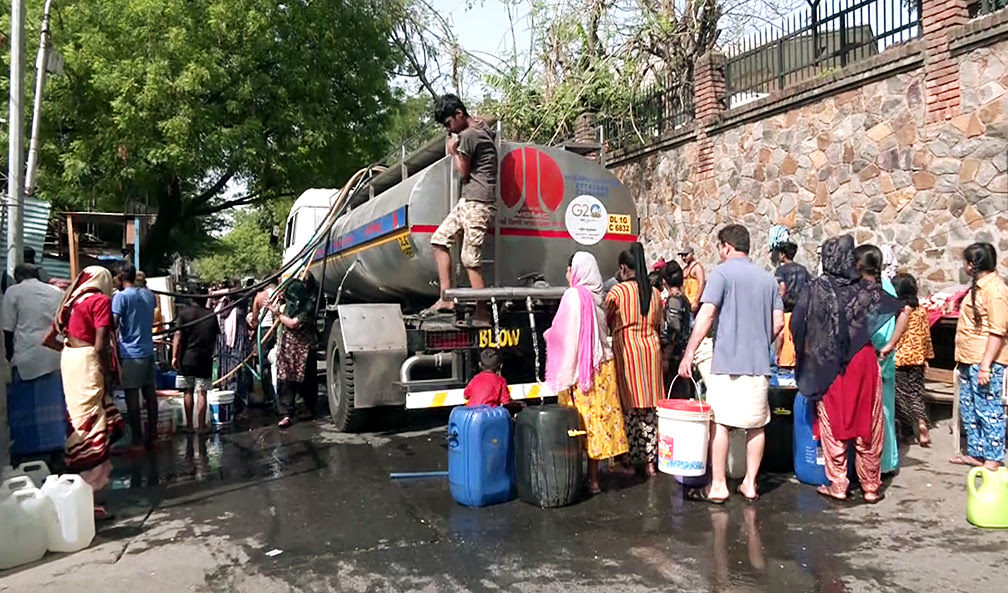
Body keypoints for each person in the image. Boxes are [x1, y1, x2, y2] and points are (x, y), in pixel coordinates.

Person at [791, 236, 904, 502]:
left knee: (833, 423)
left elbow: (798, 323)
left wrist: (807, 352)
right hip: (864, 360)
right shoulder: (865, 287)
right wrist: (889, 345)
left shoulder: (818, 287)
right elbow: (901, 309)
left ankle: (839, 485)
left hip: (830, 363)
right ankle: (870, 487)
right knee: (869, 421)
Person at [679, 225, 784, 503]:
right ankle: (749, 484)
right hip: (759, 363)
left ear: (726, 246)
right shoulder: (768, 280)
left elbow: (707, 314)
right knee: (757, 425)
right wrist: (761, 341)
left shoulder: (722, 273)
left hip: (727, 362)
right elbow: (778, 322)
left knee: (721, 424)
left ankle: (718, 486)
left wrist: (689, 352)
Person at [44, 266, 125, 521]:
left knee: (79, 421)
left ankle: (81, 495)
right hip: (88, 361)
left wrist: (71, 352)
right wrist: (107, 370)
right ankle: (88, 497)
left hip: (70, 360)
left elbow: (48, 338)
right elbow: (101, 343)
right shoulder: (99, 301)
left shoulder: (70, 303)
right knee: (93, 425)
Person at [546, 252, 629, 493]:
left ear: (577, 270)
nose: (567, 273)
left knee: (574, 424)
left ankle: (571, 477)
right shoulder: (597, 296)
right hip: (601, 369)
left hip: (579, 371)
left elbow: (563, 332)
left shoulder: (573, 295)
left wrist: (549, 335)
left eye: (569, 268)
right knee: (595, 424)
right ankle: (594, 480)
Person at [426, 94, 498, 326]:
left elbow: (463, 173)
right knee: (439, 240)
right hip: (468, 201)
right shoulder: (479, 126)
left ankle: (483, 313)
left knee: (470, 259)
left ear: (459, 114)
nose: (448, 128)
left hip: (478, 203)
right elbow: (489, 117)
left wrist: (454, 150)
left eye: (448, 123)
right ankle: (446, 298)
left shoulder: (468, 136)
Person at [606, 243, 663, 476]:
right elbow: (658, 323)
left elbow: (607, 320)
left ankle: (627, 461)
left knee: (628, 406)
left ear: (622, 268)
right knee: (649, 407)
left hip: (627, 350)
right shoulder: (656, 293)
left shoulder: (617, 293)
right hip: (651, 350)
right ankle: (650, 463)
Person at [950, 243, 1008, 469]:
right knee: (969, 407)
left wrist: (986, 366)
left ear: (972, 265)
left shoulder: (996, 290)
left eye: (965, 262)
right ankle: (976, 452)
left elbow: (997, 330)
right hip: (968, 357)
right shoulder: (980, 287)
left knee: (988, 408)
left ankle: (993, 457)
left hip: (984, 359)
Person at [855, 244, 908, 474]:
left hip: (871, 355)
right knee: (884, 410)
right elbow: (905, 312)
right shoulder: (885, 285)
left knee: (871, 413)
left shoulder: (864, 288)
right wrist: (892, 344)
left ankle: (873, 467)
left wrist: (887, 344)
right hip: (883, 355)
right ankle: (885, 463)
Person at [3, 264, 65, 459]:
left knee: (25, 404)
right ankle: (56, 447)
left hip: (27, 354)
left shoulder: (13, 292)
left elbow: (7, 329)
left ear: (18, 276)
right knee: (54, 403)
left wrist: (8, 356)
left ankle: (26, 449)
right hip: (54, 352)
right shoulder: (55, 291)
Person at [112, 264, 159, 451]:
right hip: (148, 350)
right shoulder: (149, 295)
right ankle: (153, 436)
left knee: (132, 395)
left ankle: (137, 440)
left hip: (131, 352)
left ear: (121, 278)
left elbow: (113, 324)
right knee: (150, 394)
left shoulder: (120, 297)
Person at [270, 277, 319, 428]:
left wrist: (277, 313)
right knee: (286, 382)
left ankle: (308, 408)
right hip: (288, 351)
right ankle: (286, 414)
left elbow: (293, 324)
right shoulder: (288, 305)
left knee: (307, 380)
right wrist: (278, 306)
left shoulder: (307, 307)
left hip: (304, 351)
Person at [892, 273, 934, 447]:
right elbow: (926, 336)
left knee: (901, 397)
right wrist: (926, 356)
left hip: (900, 358)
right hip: (917, 358)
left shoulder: (897, 312)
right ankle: (922, 423)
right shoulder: (921, 311)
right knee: (916, 393)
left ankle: (907, 433)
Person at [173, 295, 220, 434]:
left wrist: (175, 356)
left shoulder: (184, 314)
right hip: (205, 357)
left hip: (187, 357)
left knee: (188, 390)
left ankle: (188, 425)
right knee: (202, 392)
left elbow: (178, 336)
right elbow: (215, 337)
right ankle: (201, 426)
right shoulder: (211, 314)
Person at [660, 261, 692, 397]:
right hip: (682, 352)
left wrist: (666, 356)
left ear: (664, 281)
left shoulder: (674, 301)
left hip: (674, 355)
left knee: (674, 394)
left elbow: (674, 328)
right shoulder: (684, 299)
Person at [679, 246, 706, 316]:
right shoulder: (685, 269)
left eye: (686, 255)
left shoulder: (697, 267)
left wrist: (696, 301)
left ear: (692, 254)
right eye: (682, 256)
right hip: (686, 304)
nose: (684, 258)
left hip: (694, 303)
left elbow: (701, 284)